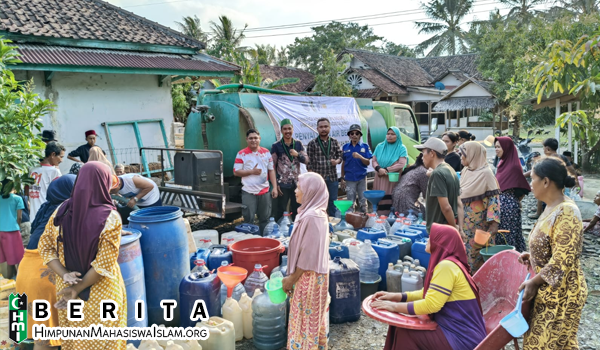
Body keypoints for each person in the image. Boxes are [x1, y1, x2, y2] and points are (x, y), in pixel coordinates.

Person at [38, 162, 127, 350]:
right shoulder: (110, 218)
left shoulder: (61, 210)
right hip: (100, 293)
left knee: (74, 342)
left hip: (66, 289)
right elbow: (103, 266)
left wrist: (65, 276)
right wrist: (77, 289)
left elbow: (45, 247)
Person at [372, 223, 486, 350]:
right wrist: (396, 296)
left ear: (441, 242)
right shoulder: (450, 263)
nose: (428, 240)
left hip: (462, 338)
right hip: (458, 331)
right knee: (400, 324)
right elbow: (428, 293)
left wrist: (394, 306)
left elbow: (431, 305)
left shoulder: (447, 266)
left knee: (405, 332)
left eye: (432, 237)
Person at [518, 157, 587, 350]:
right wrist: (532, 256)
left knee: (543, 345)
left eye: (533, 178)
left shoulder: (567, 213)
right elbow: (551, 246)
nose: (530, 184)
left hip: (562, 293)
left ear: (546, 181)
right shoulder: (551, 207)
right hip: (547, 289)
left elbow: (562, 259)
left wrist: (534, 281)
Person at [16, 174, 76, 350]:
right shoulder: (67, 211)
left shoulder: (47, 208)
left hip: (25, 270)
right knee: (45, 340)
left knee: (22, 331)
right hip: (43, 274)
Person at [282, 172, 330, 350]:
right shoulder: (311, 213)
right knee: (311, 322)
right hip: (311, 277)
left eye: (299, 187)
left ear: (310, 190)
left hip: (309, 278)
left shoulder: (313, 216)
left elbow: (308, 257)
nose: (295, 191)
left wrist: (291, 279)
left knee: (305, 325)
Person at [459, 141, 501, 273]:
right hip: (464, 224)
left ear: (472, 155)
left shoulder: (486, 173)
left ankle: (479, 285)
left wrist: (493, 224)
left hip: (480, 226)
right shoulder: (466, 171)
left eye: (463, 154)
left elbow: (494, 200)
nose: (461, 157)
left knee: (478, 257)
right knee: (465, 254)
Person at [414, 138, 463, 234]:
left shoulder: (437, 173)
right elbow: (459, 203)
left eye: (423, 153)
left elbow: (446, 207)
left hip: (441, 230)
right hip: (450, 226)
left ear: (432, 153)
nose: (422, 157)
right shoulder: (450, 169)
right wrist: (460, 228)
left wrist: (454, 228)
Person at [234, 129, 278, 234]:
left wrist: (275, 187)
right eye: (251, 138)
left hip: (264, 191)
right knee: (248, 220)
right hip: (248, 192)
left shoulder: (266, 153)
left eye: (255, 138)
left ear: (260, 139)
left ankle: (265, 242)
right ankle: (250, 243)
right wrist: (251, 171)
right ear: (246, 139)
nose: (253, 140)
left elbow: (271, 170)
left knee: (265, 219)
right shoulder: (241, 154)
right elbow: (236, 172)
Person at [494, 137, 531, 252]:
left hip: (508, 206)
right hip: (500, 203)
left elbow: (522, 187)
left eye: (499, 147)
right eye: (495, 147)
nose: (496, 149)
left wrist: (515, 201)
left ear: (507, 148)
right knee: (501, 234)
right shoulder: (501, 163)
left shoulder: (513, 166)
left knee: (508, 235)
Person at [527, 138, 577, 219]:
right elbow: (571, 169)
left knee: (541, 197)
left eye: (543, 148)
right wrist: (576, 181)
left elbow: (536, 171)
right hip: (559, 183)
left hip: (548, 185)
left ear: (547, 148)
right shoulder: (562, 157)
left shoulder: (546, 160)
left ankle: (538, 212)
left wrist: (523, 174)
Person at [271, 119, 308, 221]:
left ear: (293, 129)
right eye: (285, 129)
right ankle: (279, 232)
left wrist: (298, 154)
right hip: (282, 183)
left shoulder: (298, 144)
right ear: (281, 131)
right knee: (280, 210)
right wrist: (275, 185)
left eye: (289, 128)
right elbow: (272, 167)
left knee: (297, 209)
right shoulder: (276, 146)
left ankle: (297, 229)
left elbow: (307, 161)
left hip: (297, 184)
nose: (287, 131)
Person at [307, 118, 343, 217]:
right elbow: (309, 163)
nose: (323, 129)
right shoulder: (312, 143)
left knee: (332, 202)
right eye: (321, 127)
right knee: (318, 203)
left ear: (329, 128)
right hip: (319, 179)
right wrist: (312, 180)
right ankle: (319, 224)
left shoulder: (334, 142)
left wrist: (336, 161)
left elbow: (340, 156)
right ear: (317, 129)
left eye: (326, 126)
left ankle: (332, 225)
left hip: (332, 177)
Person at [372, 127, 408, 215]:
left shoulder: (401, 148)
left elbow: (401, 164)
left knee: (390, 197)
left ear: (398, 136)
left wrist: (387, 170)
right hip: (380, 177)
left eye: (392, 134)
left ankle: (391, 217)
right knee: (379, 197)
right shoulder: (380, 146)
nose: (389, 136)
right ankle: (379, 217)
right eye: (388, 134)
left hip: (392, 178)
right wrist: (378, 168)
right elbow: (374, 160)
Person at [29, 141, 64, 222]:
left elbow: (27, 191)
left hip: (33, 217)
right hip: (46, 217)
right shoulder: (54, 172)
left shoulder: (32, 169)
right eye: (61, 157)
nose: (61, 160)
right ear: (53, 155)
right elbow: (60, 194)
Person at [341, 124, 372, 213]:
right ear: (349, 135)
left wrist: (360, 157)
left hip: (361, 177)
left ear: (360, 135)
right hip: (349, 178)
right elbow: (344, 163)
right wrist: (342, 178)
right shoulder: (345, 147)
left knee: (363, 201)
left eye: (357, 133)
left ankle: (364, 219)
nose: (354, 135)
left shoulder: (365, 146)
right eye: (352, 133)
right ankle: (352, 221)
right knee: (350, 201)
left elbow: (368, 162)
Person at [0, 179, 26, 272]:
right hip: (12, 230)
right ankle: (18, 280)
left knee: (5, 259)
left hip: (0, 230)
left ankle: (8, 279)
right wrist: (18, 226)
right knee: (19, 258)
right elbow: (19, 217)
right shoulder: (17, 198)